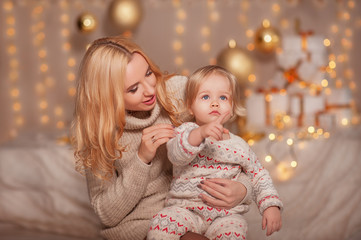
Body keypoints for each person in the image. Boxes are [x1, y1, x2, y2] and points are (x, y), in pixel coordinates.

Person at [71, 36, 252, 240]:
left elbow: (233, 154)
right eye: (133, 89)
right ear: (108, 96)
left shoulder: (177, 93)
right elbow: (106, 214)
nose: (150, 89)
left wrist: (243, 189)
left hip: (196, 209)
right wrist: (142, 159)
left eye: (148, 73)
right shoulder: (98, 134)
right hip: (141, 226)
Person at [147, 65, 283, 240]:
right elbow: (176, 154)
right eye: (205, 96)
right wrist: (201, 133)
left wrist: (271, 206)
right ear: (190, 106)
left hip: (226, 216)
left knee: (235, 232)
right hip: (184, 208)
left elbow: (258, 175)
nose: (215, 103)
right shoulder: (185, 132)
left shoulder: (239, 145)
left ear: (232, 107)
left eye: (223, 97)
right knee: (162, 222)